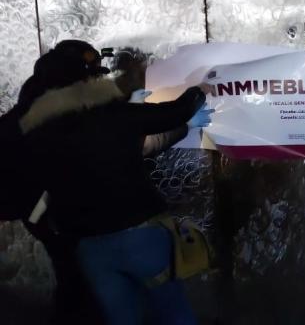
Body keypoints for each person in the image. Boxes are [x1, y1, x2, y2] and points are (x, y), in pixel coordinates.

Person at [19, 40, 212, 325]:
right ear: (86, 79)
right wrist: (201, 90)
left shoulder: (37, 131)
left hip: (90, 246)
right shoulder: (111, 114)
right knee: (173, 312)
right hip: (141, 235)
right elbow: (176, 111)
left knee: (121, 317)